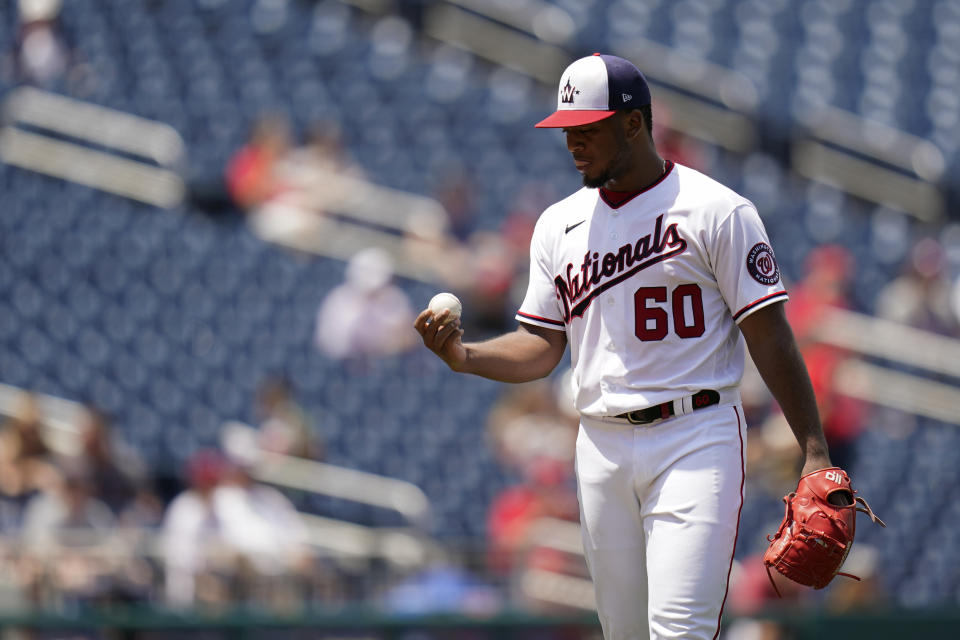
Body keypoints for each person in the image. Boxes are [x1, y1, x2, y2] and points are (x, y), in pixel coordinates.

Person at [415, 54, 839, 640]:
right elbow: (540, 346)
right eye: (568, 129)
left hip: (697, 435)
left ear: (634, 123)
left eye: (588, 127)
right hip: (601, 444)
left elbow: (769, 333)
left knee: (679, 630)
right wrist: (465, 357)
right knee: (626, 634)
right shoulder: (557, 226)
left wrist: (814, 450)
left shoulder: (718, 210)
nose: (574, 143)